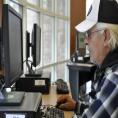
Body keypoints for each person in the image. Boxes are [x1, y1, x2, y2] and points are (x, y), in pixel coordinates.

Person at [57, 0, 118, 117]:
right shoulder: (106, 70)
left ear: (106, 36)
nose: (85, 41)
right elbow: (99, 107)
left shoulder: (115, 79)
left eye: (89, 34)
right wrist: (76, 106)